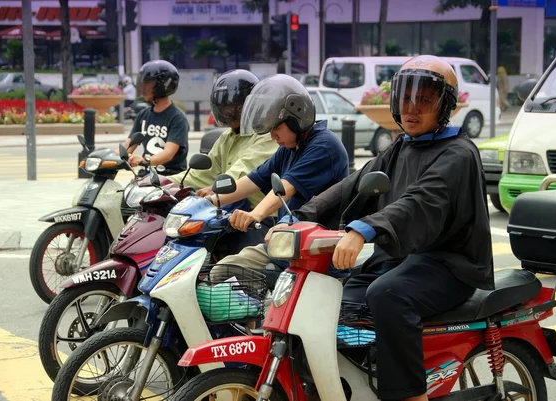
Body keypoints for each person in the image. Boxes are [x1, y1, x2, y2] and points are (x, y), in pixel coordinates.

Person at [266, 55, 493, 401]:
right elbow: (354, 184)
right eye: (405, 99)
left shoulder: (458, 154)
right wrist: (298, 216)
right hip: (402, 258)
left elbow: (419, 201)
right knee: (338, 301)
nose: (412, 109)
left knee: (387, 294)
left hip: (448, 264)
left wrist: (364, 230)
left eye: (425, 100)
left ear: (445, 105)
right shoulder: (403, 146)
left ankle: (408, 395)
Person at [208, 73, 349, 276]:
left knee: (226, 273)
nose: (273, 135)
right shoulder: (289, 148)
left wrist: (255, 214)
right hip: (285, 244)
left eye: (277, 128)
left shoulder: (324, 146)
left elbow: (285, 188)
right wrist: (209, 203)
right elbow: (252, 180)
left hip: (314, 252)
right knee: (220, 271)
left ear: (298, 117)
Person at [169, 69, 279, 257]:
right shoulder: (226, 138)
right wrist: (163, 182)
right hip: (227, 213)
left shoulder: (266, 136)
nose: (229, 111)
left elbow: (242, 172)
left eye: (236, 106)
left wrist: (215, 190)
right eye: (225, 106)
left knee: (235, 271)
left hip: (259, 218)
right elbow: (199, 174)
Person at [124, 60, 188, 177]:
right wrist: (106, 157)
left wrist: (143, 160)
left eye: (148, 83)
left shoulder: (178, 118)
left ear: (163, 86)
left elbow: (168, 153)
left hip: (170, 178)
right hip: (146, 176)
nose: (143, 87)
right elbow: (127, 146)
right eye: (142, 82)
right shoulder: (143, 115)